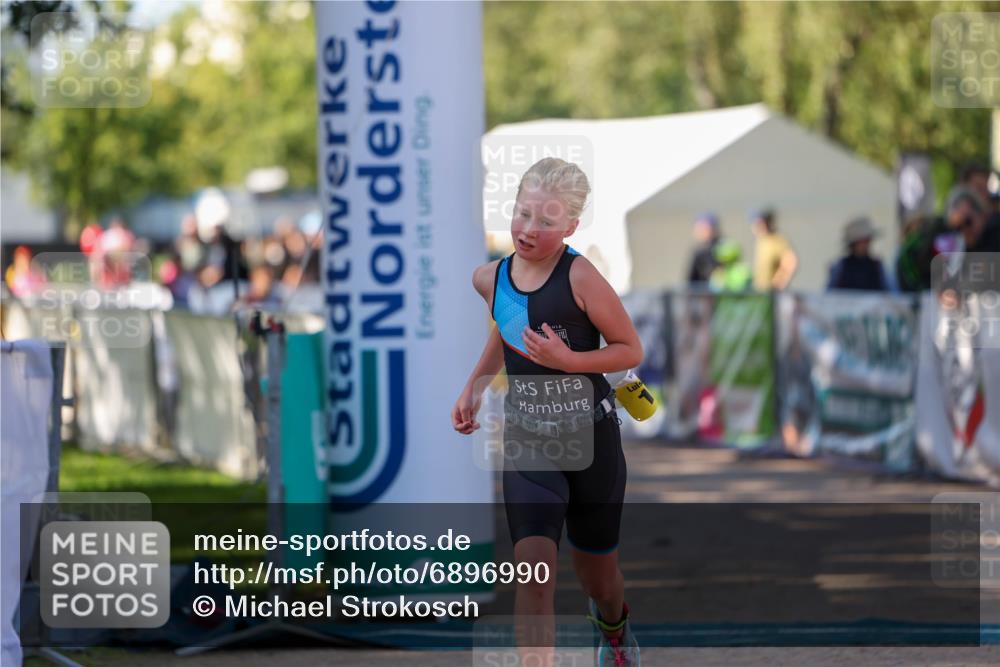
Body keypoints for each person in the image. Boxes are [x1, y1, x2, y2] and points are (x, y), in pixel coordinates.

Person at [452, 157, 643, 666]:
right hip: (529, 438)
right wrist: (474, 385)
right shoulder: (488, 278)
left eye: (546, 222)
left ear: (570, 228)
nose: (528, 230)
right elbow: (507, 325)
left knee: (598, 576)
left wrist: (571, 360)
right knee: (533, 575)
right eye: (522, 214)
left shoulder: (581, 276)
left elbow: (629, 349)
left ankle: (615, 629)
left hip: (591, 441)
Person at [827, 216, 890, 291]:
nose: (865, 244)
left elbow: (889, 293)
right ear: (853, 244)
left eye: (867, 240)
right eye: (862, 241)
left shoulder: (877, 266)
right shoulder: (840, 267)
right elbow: (829, 294)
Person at [749, 208, 797, 291]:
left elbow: (790, 263)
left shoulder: (776, 240)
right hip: (761, 293)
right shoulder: (762, 240)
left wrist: (778, 284)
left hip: (772, 294)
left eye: (762, 222)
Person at [687, 212, 721, 286]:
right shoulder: (698, 252)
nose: (701, 232)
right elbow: (690, 281)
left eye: (705, 228)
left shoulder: (722, 249)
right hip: (700, 295)